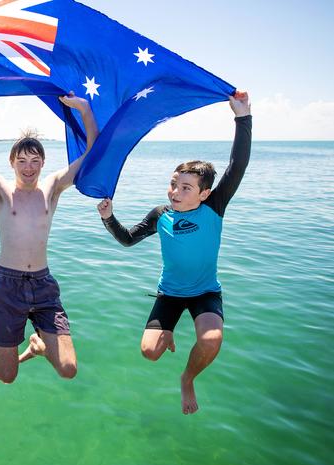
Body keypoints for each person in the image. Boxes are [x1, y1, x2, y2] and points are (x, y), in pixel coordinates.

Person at [96, 91, 252, 415]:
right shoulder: (161, 215)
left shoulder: (214, 207)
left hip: (205, 292)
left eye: (185, 188)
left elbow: (237, 166)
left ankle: (187, 378)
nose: (175, 192)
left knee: (211, 340)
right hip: (169, 294)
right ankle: (167, 332)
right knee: (149, 352)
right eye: (173, 184)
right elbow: (127, 240)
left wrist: (242, 117)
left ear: (204, 193)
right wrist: (109, 217)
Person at [0, 95, 98, 383]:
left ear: (43, 163)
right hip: (8, 285)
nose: (29, 168)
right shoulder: (0, 190)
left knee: (68, 369)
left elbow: (94, 152)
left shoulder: (51, 188)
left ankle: (38, 346)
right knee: (7, 375)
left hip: (43, 285)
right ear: (12, 162)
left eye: (35, 161)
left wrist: (86, 110)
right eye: (22, 161)